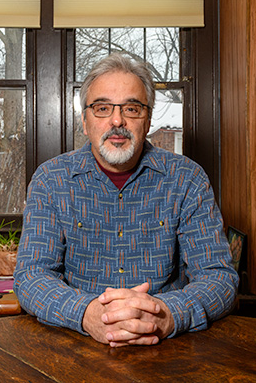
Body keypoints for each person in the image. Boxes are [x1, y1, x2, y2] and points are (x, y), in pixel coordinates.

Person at [13, 53, 238, 347]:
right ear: (84, 121)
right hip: (74, 344)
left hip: (169, 348)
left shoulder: (187, 179)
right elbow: (31, 276)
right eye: (102, 108)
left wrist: (167, 315)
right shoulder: (50, 180)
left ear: (147, 120)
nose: (117, 120)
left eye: (131, 108)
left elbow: (219, 277)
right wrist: (87, 313)